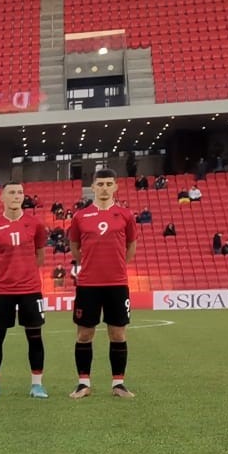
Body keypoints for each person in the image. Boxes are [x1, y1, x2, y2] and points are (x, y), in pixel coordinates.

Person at [70, 168, 138, 399]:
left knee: (118, 334)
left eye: (109, 184)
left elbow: (131, 247)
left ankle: (118, 384)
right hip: (88, 284)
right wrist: (90, 265)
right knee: (84, 334)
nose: (105, 188)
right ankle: (83, 383)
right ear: (93, 187)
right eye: (100, 184)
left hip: (117, 283)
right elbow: (75, 248)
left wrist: (117, 266)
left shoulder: (126, 215)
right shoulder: (80, 216)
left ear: (116, 187)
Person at [0, 182, 50, 399]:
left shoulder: (35, 224)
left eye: (20, 192)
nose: (17, 196)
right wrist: (4, 274)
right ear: (2, 197)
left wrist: (25, 272)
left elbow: (40, 256)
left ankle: (37, 385)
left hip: (30, 289)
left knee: (35, 337)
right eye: (12, 192)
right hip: (3, 290)